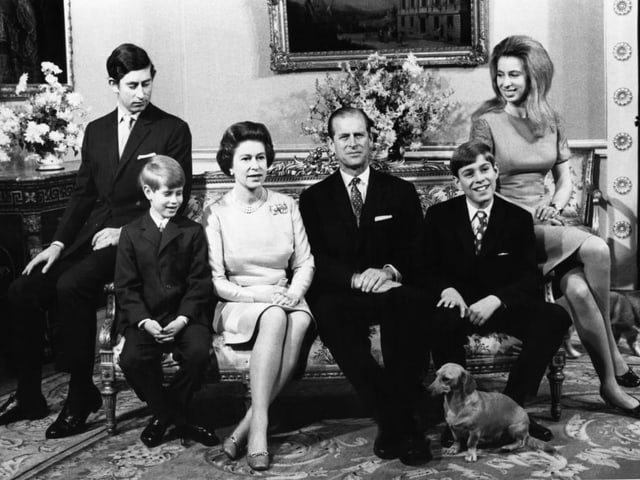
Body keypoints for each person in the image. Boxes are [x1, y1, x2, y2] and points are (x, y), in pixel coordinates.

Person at [0, 43, 193, 438]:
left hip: (140, 240)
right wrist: (55, 245)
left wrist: (125, 232)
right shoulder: (97, 130)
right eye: (132, 85)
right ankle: (29, 393)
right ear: (112, 84)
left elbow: (178, 197)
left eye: (147, 83)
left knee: (73, 285)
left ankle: (79, 394)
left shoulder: (172, 129)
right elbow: (83, 194)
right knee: (23, 289)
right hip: (92, 235)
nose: (141, 93)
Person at [470, 35, 640, 418]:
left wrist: (554, 204)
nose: (506, 82)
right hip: (509, 227)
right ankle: (613, 350)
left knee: (579, 292)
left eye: (515, 74)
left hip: (547, 221)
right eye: (500, 75)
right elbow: (479, 186)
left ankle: (609, 386)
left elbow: (564, 181)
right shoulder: (486, 123)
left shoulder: (550, 120)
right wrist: (524, 214)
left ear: (534, 77)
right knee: (596, 248)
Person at [299, 107, 432, 465]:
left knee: (409, 305)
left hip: (389, 289)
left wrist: (389, 270)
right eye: (344, 136)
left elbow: (416, 248)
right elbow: (313, 256)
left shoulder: (400, 191)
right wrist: (354, 278)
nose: (353, 143)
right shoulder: (314, 198)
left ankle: (393, 421)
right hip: (342, 291)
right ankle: (400, 417)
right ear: (332, 144)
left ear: (371, 139)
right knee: (327, 311)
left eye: (359, 135)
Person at [424, 140, 572, 443]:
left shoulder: (516, 218)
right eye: (469, 173)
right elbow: (424, 268)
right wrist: (447, 288)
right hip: (459, 308)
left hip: (502, 307)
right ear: (458, 181)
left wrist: (497, 300)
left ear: (496, 170)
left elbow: (529, 278)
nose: (478, 178)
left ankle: (511, 407)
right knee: (437, 320)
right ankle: (457, 417)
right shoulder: (439, 216)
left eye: (484, 170)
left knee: (554, 316)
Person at [202, 121, 314, 471]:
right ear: (230, 164)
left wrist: (294, 293)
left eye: (261, 157)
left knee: (294, 319)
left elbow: (306, 261)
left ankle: (246, 425)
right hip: (238, 301)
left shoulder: (285, 204)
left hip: (285, 297)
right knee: (275, 315)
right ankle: (260, 428)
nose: (255, 166)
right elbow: (216, 281)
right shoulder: (216, 212)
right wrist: (261, 297)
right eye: (246, 158)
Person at [115, 155, 217, 448]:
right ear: (149, 192)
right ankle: (177, 416)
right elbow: (126, 286)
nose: (175, 200)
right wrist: (144, 321)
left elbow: (200, 282)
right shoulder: (132, 233)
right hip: (145, 318)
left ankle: (163, 415)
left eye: (180, 193)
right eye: (168, 193)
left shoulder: (191, 231)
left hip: (184, 316)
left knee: (198, 353)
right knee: (131, 359)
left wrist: (183, 318)